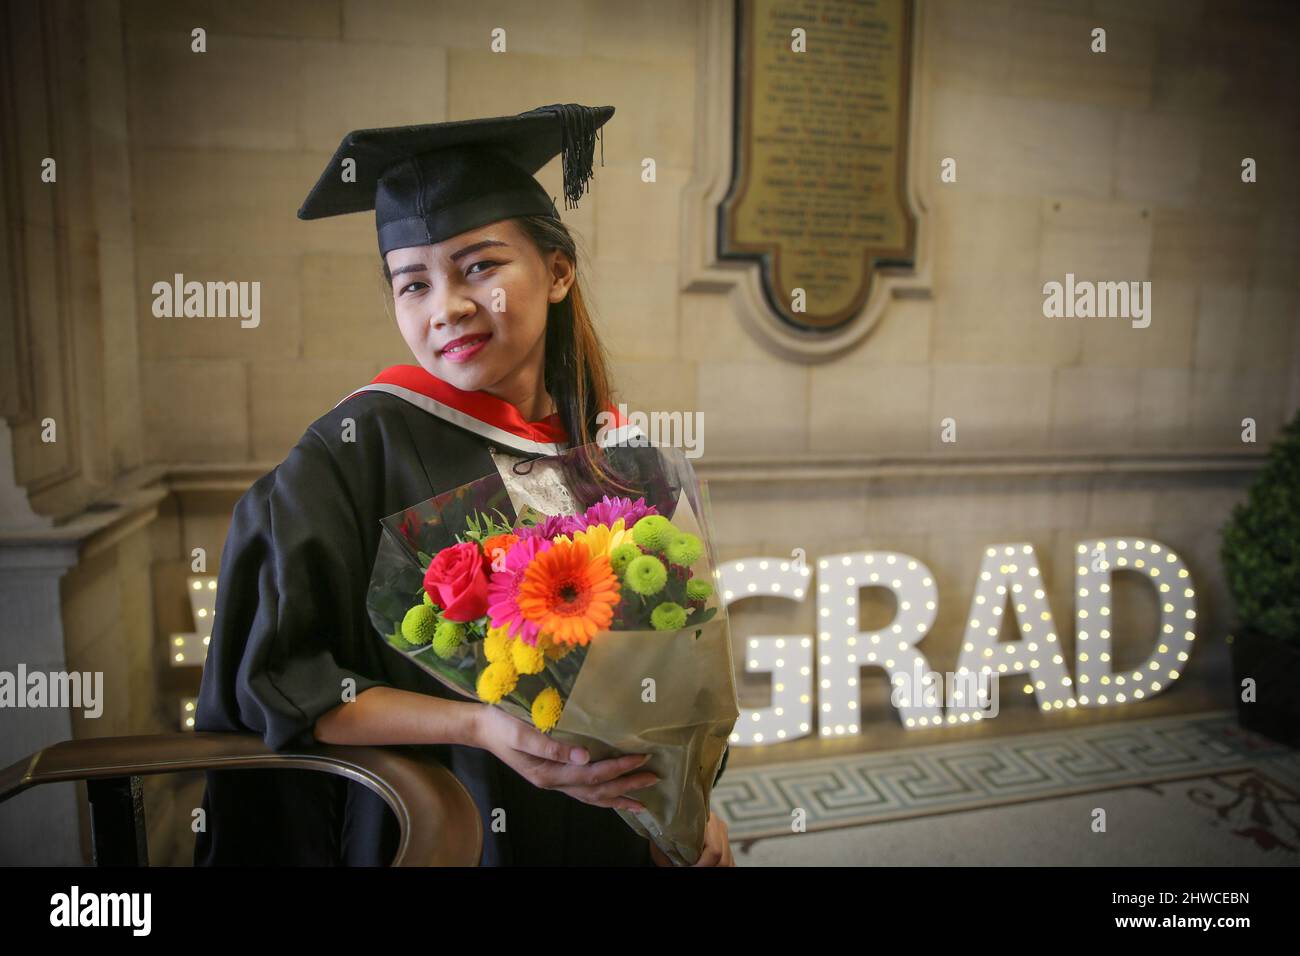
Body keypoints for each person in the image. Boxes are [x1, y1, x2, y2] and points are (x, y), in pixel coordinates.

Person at [193, 103, 732, 866]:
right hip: (450, 834)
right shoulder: (353, 451)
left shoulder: (622, 457)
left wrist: (690, 803)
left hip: (617, 835)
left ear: (556, 271)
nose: (446, 306)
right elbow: (286, 686)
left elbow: (679, 676)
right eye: (411, 283)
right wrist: (478, 724)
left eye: (480, 265)